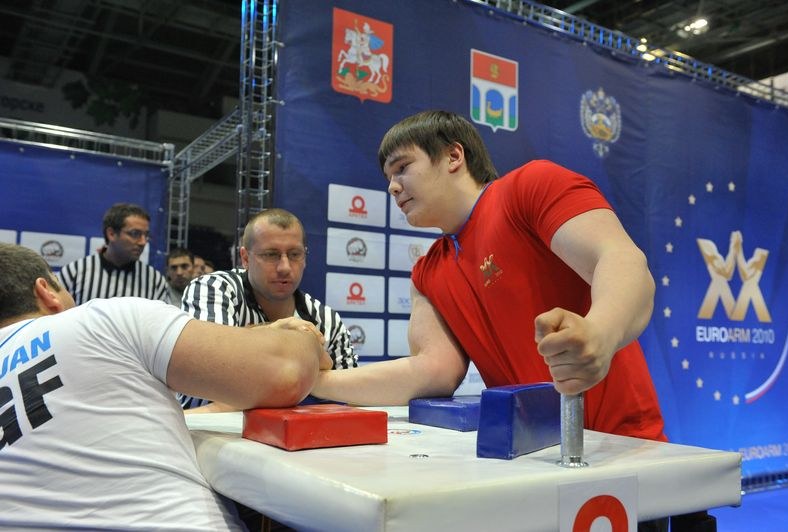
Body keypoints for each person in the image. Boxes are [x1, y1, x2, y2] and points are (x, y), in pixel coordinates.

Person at [312, 110, 665, 441]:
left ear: (453, 156)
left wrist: (600, 334)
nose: (392, 186)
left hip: (622, 445)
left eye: (402, 167)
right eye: (388, 177)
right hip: (530, 456)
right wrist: (315, 381)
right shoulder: (426, 273)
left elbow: (621, 259)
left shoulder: (529, 187)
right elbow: (432, 371)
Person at [0, 243, 330, 529]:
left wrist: (264, 334)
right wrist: (299, 339)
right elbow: (285, 373)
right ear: (47, 292)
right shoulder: (98, 319)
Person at [178, 208, 357, 410]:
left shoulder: (326, 320)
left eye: (295, 254)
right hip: (209, 436)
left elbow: (349, 398)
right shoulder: (214, 289)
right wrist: (279, 336)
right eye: (271, 255)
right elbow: (206, 375)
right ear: (245, 258)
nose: (285, 267)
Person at [57, 203, 170, 304]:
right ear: (111, 234)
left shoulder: (155, 280)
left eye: (146, 235)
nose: (143, 242)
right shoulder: (74, 273)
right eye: (135, 234)